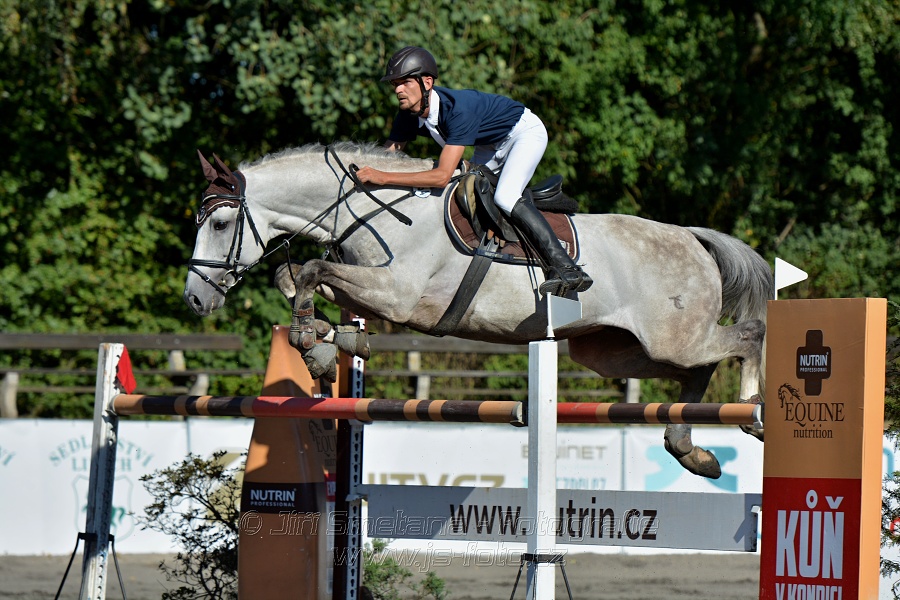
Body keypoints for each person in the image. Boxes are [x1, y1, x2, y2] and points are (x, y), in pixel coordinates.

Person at [356, 46, 592, 296]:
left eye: (404, 82)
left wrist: (382, 178)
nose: (397, 90)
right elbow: (388, 157)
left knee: (505, 197)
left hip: (523, 133)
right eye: (394, 84)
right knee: (464, 190)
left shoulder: (458, 111)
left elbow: (440, 176)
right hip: (489, 145)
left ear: (427, 82)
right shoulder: (406, 114)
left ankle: (566, 267)